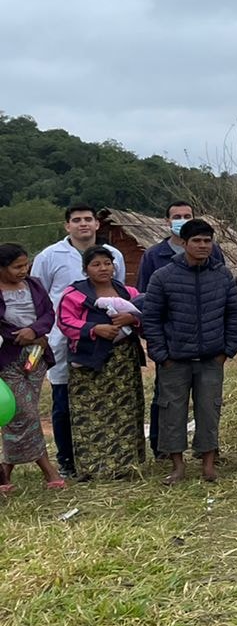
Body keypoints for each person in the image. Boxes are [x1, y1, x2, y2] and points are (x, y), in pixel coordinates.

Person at [141, 219, 237, 484]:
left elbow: (234, 314)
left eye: (207, 241)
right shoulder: (163, 276)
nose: (203, 246)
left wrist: (227, 350)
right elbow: (151, 318)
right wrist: (161, 355)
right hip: (175, 359)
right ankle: (177, 466)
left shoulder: (222, 274)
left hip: (211, 357)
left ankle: (208, 465)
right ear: (184, 244)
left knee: (209, 410)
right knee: (172, 411)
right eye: (196, 241)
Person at [33, 204, 128, 477]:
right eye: (77, 220)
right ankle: (67, 460)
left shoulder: (114, 255)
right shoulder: (50, 256)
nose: (83, 224)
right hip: (62, 337)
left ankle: (101, 456)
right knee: (63, 400)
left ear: (97, 224)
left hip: (104, 337)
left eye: (88, 219)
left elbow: (117, 293)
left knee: (102, 397)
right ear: (67, 226)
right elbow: (39, 296)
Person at [55, 245, 147, 480]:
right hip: (90, 363)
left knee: (124, 410)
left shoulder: (128, 292)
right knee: (91, 413)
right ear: (86, 269)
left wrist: (133, 318)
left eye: (107, 263)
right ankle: (93, 468)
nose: (103, 268)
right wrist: (94, 328)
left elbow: (147, 315)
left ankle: (126, 466)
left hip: (123, 362)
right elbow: (65, 322)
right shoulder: (74, 294)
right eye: (96, 264)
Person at [0, 244, 66, 492]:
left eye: (25, 265)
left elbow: (49, 314)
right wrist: (20, 336)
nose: (23, 270)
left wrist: (36, 331)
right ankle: (48, 469)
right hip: (7, 357)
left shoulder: (34, 285)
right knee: (23, 412)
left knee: (19, 416)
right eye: (17, 267)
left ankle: (4, 471)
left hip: (37, 357)